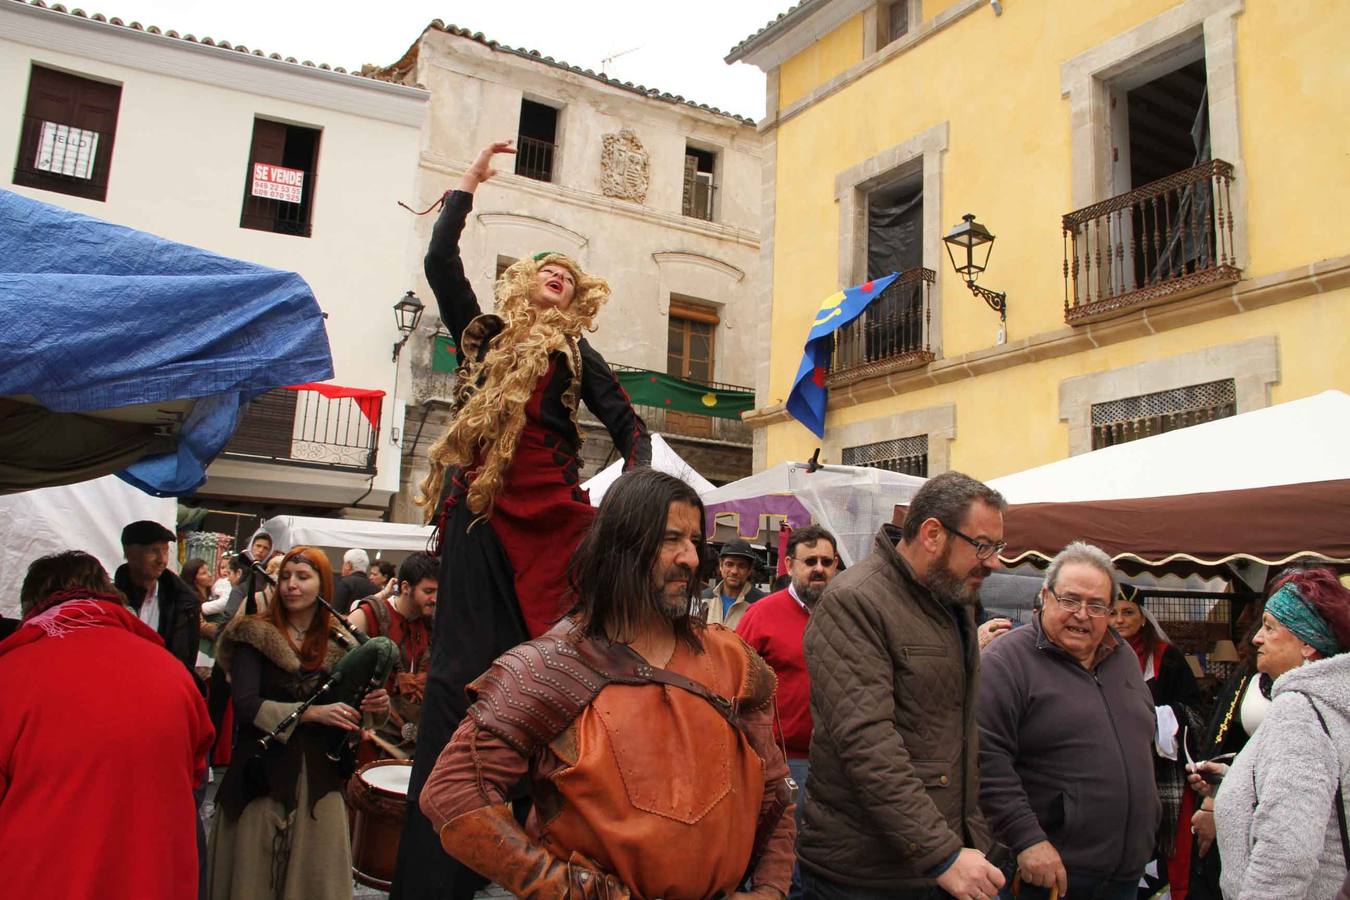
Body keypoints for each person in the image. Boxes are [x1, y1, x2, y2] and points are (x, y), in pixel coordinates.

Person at [394, 140, 651, 900]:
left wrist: (627, 502)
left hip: (556, 518)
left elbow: (629, 427)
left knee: (549, 680)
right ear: (524, 281)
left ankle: (548, 847)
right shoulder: (484, 335)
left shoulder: (578, 351)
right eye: (549, 267)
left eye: (570, 276)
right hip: (481, 509)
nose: (559, 276)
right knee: (458, 681)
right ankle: (435, 873)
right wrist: (467, 185)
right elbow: (442, 266)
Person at [419, 468, 794, 900]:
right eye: (671, 539)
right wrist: (563, 889)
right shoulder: (550, 666)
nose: (691, 558)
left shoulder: (732, 660)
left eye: (694, 541)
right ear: (622, 547)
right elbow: (452, 794)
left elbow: (776, 795)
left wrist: (769, 891)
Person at [801, 471, 1006, 900]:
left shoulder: (953, 602)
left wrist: (972, 838)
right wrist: (942, 853)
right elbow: (867, 743)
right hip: (869, 876)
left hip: (943, 863)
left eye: (997, 547)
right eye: (983, 545)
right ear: (932, 533)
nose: (993, 562)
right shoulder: (854, 601)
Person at [0, 551, 214, 899]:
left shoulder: (11, 674)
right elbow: (194, 777)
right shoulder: (174, 673)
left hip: (43, 880)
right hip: (153, 879)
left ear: (32, 605)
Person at [207, 546, 391, 900]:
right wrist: (310, 713)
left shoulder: (343, 643)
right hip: (260, 777)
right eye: (286, 577)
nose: (292, 585)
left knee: (314, 879)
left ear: (323, 585)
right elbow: (245, 705)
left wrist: (375, 707)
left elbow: (357, 711)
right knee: (254, 878)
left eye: (303, 577)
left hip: (318, 778)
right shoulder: (253, 635)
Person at [978, 541, 1160, 900]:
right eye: (1070, 600)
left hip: (1124, 875)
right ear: (1045, 595)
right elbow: (986, 758)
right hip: (1048, 876)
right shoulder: (1007, 661)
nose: (1081, 614)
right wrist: (1027, 839)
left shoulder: (1121, 656)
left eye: (1096, 606)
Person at [1189, 568, 1350, 899]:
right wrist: (1235, 780)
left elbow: (1287, 850)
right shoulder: (1331, 702)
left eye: (1269, 627)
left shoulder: (1299, 712)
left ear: (1307, 643)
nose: (1255, 638)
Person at [737, 524, 840, 900]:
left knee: (823, 861)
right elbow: (737, 687)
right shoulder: (762, 615)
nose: (819, 569)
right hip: (781, 763)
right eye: (809, 561)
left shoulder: (846, 615)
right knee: (781, 866)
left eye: (827, 562)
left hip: (837, 762)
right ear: (789, 564)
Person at [1108, 583, 1206, 898]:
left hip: (1159, 768)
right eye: (1113, 612)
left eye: (1128, 612)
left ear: (1143, 618)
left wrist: (1156, 716)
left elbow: (1195, 711)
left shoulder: (1168, 659)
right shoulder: (1096, 653)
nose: (1119, 620)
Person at [1185, 617, 1267, 899]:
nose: (1259, 638)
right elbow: (1224, 739)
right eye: (1264, 625)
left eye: (1273, 628)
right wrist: (1213, 800)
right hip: (1237, 810)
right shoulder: (1249, 674)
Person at [349, 552, 438, 759]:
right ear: (405, 587)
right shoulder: (368, 615)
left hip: (414, 742)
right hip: (370, 739)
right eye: (428, 591)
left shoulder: (432, 624)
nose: (435, 599)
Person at [114, 519, 202, 677]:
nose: (162, 560)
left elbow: (187, 662)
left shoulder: (185, 603)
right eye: (154, 551)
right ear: (129, 553)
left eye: (165, 551)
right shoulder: (111, 600)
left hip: (164, 687)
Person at [699, 539, 766, 627]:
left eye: (741, 566)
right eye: (729, 564)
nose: (734, 571)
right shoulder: (704, 599)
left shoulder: (760, 604)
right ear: (721, 565)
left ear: (749, 570)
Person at [334, 547, 379, 614]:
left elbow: (335, 612)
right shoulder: (376, 589)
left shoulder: (345, 583)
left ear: (348, 565)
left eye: (344, 563)